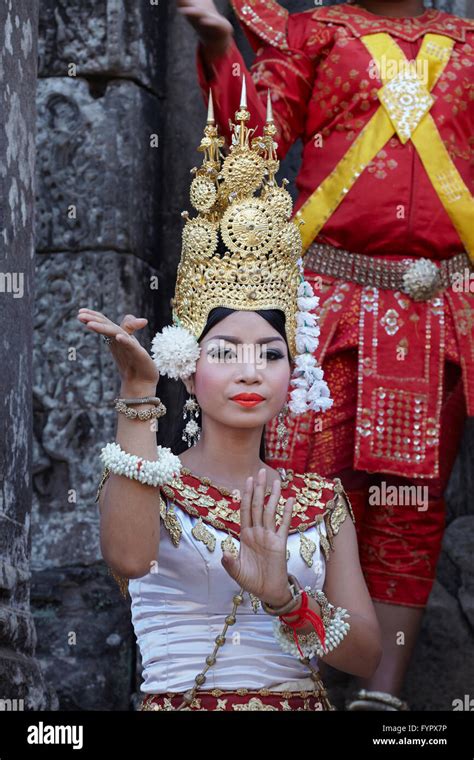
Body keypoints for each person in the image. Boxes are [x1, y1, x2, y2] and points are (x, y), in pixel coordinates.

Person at [177, 0, 474, 709]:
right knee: (304, 489)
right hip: (326, 302)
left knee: (411, 504)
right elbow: (253, 146)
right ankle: (287, 679)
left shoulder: (469, 42)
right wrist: (223, 53)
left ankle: (383, 695)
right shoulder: (312, 34)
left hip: (437, 309)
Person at [77, 87, 382, 711]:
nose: (251, 370)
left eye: (270, 352)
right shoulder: (153, 483)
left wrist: (285, 598)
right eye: (225, 352)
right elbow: (130, 558)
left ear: (292, 370)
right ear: (188, 371)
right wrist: (139, 393)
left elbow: (367, 655)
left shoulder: (320, 502)